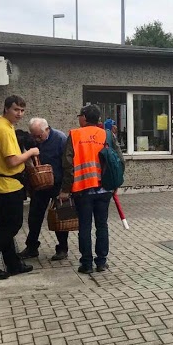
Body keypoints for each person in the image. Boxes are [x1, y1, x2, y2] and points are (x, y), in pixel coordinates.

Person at [0, 95, 40, 280]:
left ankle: (12, 263)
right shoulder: (3, 129)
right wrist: (31, 152)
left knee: (6, 225)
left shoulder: (0, 125)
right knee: (12, 226)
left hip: (5, 182)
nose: (19, 114)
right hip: (7, 184)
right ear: (6, 108)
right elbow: (12, 160)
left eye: (22, 110)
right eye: (15, 110)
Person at [60, 104, 125, 274]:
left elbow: (68, 165)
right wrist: (115, 185)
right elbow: (119, 160)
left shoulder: (74, 135)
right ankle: (102, 262)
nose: (79, 119)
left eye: (79, 116)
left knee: (85, 227)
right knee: (102, 225)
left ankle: (87, 264)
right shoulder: (107, 135)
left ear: (84, 117)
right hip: (104, 190)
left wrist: (65, 189)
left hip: (82, 190)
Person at [18, 118, 70, 261]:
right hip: (39, 185)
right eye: (33, 136)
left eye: (39, 136)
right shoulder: (32, 141)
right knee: (34, 216)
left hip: (57, 184)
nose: (36, 139)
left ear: (47, 129)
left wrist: (66, 188)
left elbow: (68, 164)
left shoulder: (60, 139)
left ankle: (62, 248)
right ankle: (31, 247)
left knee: (60, 217)